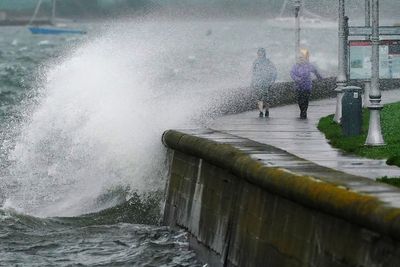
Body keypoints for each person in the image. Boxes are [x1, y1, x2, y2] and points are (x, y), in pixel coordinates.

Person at [290, 48, 322, 119]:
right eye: (299, 58)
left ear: (305, 58)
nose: (301, 59)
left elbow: (315, 71)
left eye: (302, 58)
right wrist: (296, 79)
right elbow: (292, 73)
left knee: (306, 100)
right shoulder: (295, 66)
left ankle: (304, 112)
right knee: (300, 100)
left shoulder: (308, 65)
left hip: (307, 86)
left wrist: (320, 78)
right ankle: (302, 110)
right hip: (298, 86)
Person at [251, 48, 277, 118]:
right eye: (259, 53)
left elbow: (274, 71)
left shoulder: (268, 62)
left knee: (266, 99)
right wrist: (253, 82)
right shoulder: (255, 62)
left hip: (267, 83)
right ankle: (261, 112)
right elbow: (253, 73)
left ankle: (267, 111)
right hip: (258, 83)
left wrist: (272, 80)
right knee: (259, 98)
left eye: (261, 53)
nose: (260, 54)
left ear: (264, 53)